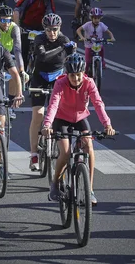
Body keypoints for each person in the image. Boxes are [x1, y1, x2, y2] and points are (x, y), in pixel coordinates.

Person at [42, 53, 116, 205]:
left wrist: (107, 124)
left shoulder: (89, 83)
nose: (76, 79)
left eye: (78, 75)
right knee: (66, 152)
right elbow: (53, 104)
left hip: (80, 118)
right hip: (61, 119)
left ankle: (90, 189)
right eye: (72, 75)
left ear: (83, 73)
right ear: (67, 74)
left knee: (89, 146)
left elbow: (98, 103)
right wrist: (47, 124)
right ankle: (55, 184)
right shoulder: (60, 83)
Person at [27, 13, 76, 170]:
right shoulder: (39, 39)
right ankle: (34, 154)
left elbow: (72, 64)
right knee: (39, 114)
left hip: (57, 77)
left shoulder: (64, 39)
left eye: (55, 29)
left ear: (59, 28)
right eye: (48, 30)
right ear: (44, 29)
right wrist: (62, 48)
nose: (52, 33)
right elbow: (43, 57)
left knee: (59, 113)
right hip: (40, 77)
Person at [0, 5, 26, 119]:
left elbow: (18, 49)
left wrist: (22, 70)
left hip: (8, 55)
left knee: (15, 74)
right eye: (3, 20)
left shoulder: (14, 28)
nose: (6, 23)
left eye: (9, 20)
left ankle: (9, 105)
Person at [15, 0, 59, 66]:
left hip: (40, 27)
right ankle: (21, 72)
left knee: (42, 51)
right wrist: (17, 27)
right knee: (23, 51)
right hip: (25, 26)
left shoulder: (49, 1)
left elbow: (50, 16)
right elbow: (17, 10)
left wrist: (50, 30)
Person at [76, 7, 115, 75]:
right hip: (89, 45)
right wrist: (82, 37)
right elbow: (78, 30)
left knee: (101, 50)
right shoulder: (88, 24)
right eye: (95, 18)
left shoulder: (101, 25)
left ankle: (102, 62)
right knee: (87, 61)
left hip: (98, 44)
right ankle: (84, 74)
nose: (97, 20)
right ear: (91, 18)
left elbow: (109, 32)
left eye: (98, 18)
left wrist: (112, 37)